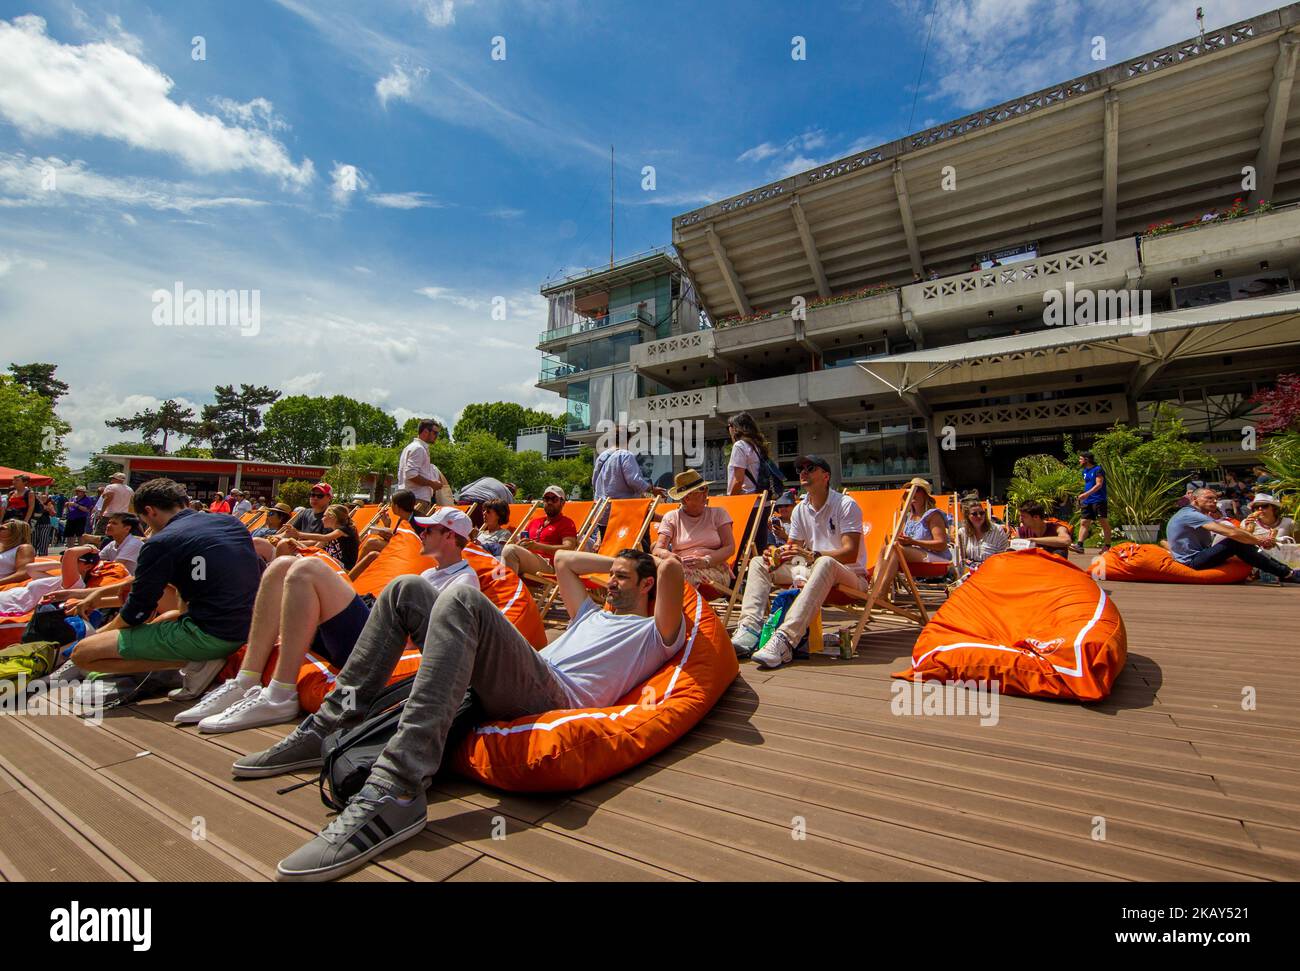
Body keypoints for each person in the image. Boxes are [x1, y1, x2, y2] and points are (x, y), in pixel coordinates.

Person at [237, 546, 684, 882]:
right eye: (611, 575)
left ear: (647, 586)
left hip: (555, 695)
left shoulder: (654, 632)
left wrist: (653, 559)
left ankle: (399, 790)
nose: (610, 582)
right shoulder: (588, 614)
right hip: (526, 671)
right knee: (404, 590)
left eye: (622, 578)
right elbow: (564, 560)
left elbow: (670, 571)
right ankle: (329, 726)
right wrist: (618, 561)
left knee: (462, 601)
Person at [177, 507, 480, 733]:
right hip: (369, 625)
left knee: (306, 569)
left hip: (384, 644)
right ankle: (245, 681)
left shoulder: (464, 583)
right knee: (282, 565)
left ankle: (280, 695)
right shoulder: (429, 574)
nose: (422, 535)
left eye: (429, 531)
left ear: (451, 537)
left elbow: (436, 638)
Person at [70, 478, 263, 701]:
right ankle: (192, 660)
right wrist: (99, 597)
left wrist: (100, 635)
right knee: (172, 614)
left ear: (149, 511)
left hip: (212, 636)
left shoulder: (161, 542)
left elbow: (136, 613)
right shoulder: (230, 524)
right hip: (246, 627)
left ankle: (191, 663)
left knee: (83, 654)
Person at [733, 455, 870, 668]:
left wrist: (812, 555)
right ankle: (749, 631)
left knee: (824, 563)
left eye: (810, 468)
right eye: (800, 469)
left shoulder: (845, 504)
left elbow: (850, 553)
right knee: (758, 562)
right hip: (812, 570)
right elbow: (792, 548)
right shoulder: (800, 509)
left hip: (851, 575)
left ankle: (785, 639)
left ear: (826, 476)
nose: (803, 472)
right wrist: (777, 554)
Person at [1167, 488, 1300, 583]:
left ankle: (1286, 571)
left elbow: (1231, 530)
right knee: (1234, 541)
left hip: (1198, 556)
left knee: (1237, 540)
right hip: (1191, 562)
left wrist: (1254, 539)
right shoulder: (1190, 514)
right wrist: (1259, 540)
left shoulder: (1195, 514)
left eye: (1215, 499)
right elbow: (1230, 533)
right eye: (1209, 498)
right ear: (1195, 499)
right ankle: (1286, 573)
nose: (1214, 501)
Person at [652, 470, 734, 590]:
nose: (706, 493)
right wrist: (671, 557)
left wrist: (706, 560)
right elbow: (658, 548)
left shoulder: (718, 514)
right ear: (686, 498)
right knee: (646, 572)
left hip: (714, 569)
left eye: (705, 488)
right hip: (679, 567)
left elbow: (730, 547)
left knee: (675, 576)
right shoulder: (671, 517)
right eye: (701, 490)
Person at [0, 545, 101, 616]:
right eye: (62, 558)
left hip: (10, 605)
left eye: (76, 560)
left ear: (87, 566)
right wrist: (62, 564)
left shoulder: (75, 584)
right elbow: (30, 568)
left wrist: (91, 547)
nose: (64, 559)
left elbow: (70, 553)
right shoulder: (59, 580)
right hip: (7, 599)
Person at [592, 428, 663, 528]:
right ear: (628, 440)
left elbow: (594, 482)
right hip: (623, 513)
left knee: (608, 543)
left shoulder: (602, 457)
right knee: (640, 542)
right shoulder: (625, 455)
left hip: (602, 514)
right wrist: (652, 490)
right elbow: (634, 480)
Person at [502, 485, 578, 578]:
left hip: (549, 564)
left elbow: (569, 548)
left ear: (562, 503)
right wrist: (520, 544)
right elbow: (524, 541)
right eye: (546, 498)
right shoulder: (534, 522)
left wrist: (538, 546)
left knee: (510, 550)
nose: (549, 502)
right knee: (501, 551)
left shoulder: (567, 523)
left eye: (554, 499)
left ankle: (508, 589)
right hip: (530, 559)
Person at [726, 411, 775, 549]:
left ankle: (734, 572)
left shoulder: (740, 446)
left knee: (737, 546)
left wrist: (730, 499)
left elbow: (738, 480)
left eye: (729, 426)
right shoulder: (758, 446)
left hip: (746, 503)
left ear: (735, 427)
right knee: (760, 546)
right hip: (762, 502)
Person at [279, 503, 360, 570]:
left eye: (324, 516)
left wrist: (298, 534)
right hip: (328, 561)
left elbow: (325, 538)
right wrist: (299, 547)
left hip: (343, 567)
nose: (322, 519)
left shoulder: (345, 529)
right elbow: (316, 548)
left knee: (303, 561)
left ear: (333, 517)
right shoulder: (331, 530)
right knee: (287, 544)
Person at [895, 478, 953, 571]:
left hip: (937, 558)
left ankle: (880, 584)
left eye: (916, 490)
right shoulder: (907, 516)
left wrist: (913, 542)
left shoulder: (933, 515)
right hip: (916, 554)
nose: (912, 493)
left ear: (925, 495)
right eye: (909, 490)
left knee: (895, 550)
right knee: (885, 550)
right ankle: (879, 584)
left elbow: (941, 544)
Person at [1071, 451, 1112, 553]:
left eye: (1080, 459)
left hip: (1099, 500)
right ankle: (1079, 546)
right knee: (1084, 522)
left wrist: (1086, 494)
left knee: (1103, 522)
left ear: (1086, 460)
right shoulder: (1084, 471)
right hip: (1087, 501)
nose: (1079, 461)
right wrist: (1084, 496)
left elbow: (1099, 484)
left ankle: (1107, 546)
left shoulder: (1098, 469)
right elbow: (1089, 484)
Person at [397, 420, 446, 505]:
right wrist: (432, 484)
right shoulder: (418, 448)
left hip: (410, 498)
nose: (437, 436)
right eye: (435, 433)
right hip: (417, 499)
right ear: (425, 431)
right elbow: (411, 474)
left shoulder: (411, 447)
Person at [956, 500, 1009, 573]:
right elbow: (962, 558)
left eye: (981, 513)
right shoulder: (962, 532)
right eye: (974, 514)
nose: (979, 516)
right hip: (970, 572)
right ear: (967, 516)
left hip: (993, 571)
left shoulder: (997, 530)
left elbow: (1003, 555)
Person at [0, 520, 36, 586]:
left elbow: (24, 573)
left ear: (15, 532)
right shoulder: (1, 547)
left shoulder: (24, 548)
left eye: (2, 528)